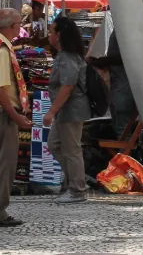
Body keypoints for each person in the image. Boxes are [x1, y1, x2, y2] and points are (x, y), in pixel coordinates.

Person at [0, 8, 34, 228]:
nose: (21, 28)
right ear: (12, 27)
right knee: (3, 165)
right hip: (2, 114)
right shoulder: (0, 50)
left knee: (1, 164)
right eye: (19, 24)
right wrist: (16, 116)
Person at [42, 17, 91, 204]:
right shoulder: (63, 56)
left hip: (72, 110)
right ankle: (73, 180)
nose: (49, 35)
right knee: (55, 144)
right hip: (65, 111)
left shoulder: (69, 57)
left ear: (59, 34)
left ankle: (78, 190)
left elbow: (68, 86)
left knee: (72, 149)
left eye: (51, 31)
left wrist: (51, 112)